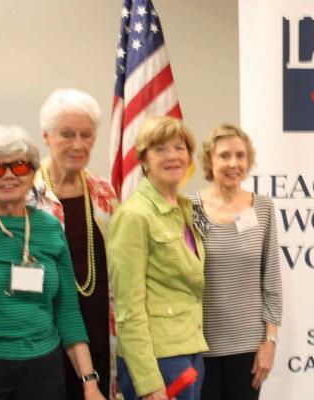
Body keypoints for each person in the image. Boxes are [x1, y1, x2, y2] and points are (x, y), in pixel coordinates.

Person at [0, 89, 119, 399]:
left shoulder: (104, 192)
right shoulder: (17, 186)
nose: (78, 144)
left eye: (87, 135)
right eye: (67, 134)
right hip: (37, 332)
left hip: (95, 326)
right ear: (46, 136)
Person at [108, 116, 207, 400]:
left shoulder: (186, 208)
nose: (173, 156)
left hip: (189, 350)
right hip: (157, 360)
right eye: (160, 149)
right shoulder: (134, 215)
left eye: (180, 147)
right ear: (144, 159)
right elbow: (128, 309)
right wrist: (149, 383)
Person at [192, 124, 282, 400]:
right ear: (209, 160)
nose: (234, 163)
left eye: (240, 156)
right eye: (224, 156)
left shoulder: (263, 208)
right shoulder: (190, 209)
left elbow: (272, 281)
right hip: (198, 346)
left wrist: (270, 342)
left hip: (248, 348)